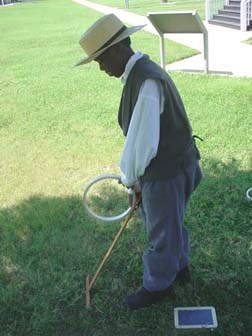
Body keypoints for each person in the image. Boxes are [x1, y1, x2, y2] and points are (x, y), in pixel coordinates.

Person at [76, 13, 202, 309]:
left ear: (119, 48)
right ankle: (180, 268)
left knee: (161, 230)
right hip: (178, 164)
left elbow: (142, 144)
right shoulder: (140, 73)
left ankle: (158, 285)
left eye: (101, 59)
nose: (101, 68)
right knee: (171, 222)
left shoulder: (145, 83)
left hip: (167, 172)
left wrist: (132, 182)